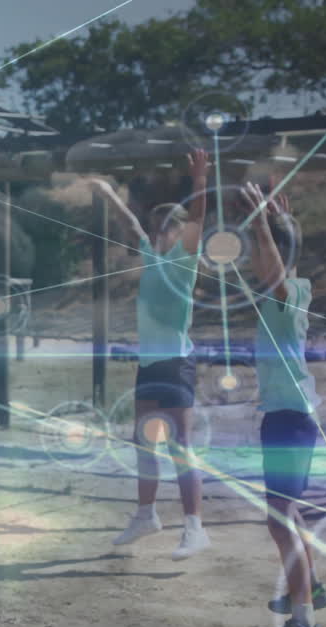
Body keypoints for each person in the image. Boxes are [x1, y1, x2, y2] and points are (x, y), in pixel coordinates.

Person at [91, 149, 211, 560]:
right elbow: (130, 223)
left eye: (169, 225)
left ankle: (194, 528)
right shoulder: (152, 256)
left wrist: (199, 184)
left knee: (180, 446)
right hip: (148, 366)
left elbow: (198, 218)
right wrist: (108, 193)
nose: (162, 230)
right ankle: (146, 515)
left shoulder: (185, 260)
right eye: (160, 225)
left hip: (177, 363)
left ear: (179, 230)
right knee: (144, 444)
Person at [240, 182, 326, 627]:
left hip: (290, 420)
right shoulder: (295, 288)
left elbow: (273, 264)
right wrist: (279, 225)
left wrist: (260, 221)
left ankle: (304, 624)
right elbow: (280, 258)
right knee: (288, 515)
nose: (252, 260)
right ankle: (309, 589)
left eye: (257, 251)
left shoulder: (283, 293)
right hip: (289, 418)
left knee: (279, 521)